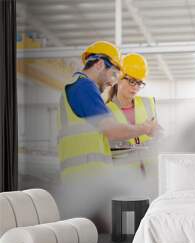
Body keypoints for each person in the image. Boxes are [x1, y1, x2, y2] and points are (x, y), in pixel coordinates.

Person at [57, 41, 159, 180]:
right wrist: (145, 128)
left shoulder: (79, 88)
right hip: (86, 181)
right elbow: (112, 131)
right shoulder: (84, 87)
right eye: (113, 74)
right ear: (99, 65)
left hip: (85, 180)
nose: (112, 82)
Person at [106, 53, 161, 176]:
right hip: (124, 178)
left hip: (151, 175)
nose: (135, 87)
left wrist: (156, 132)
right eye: (131, 81)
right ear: (119, 78)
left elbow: (159, 134)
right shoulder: (105, 110)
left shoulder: (148, 103)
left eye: (139, 83)